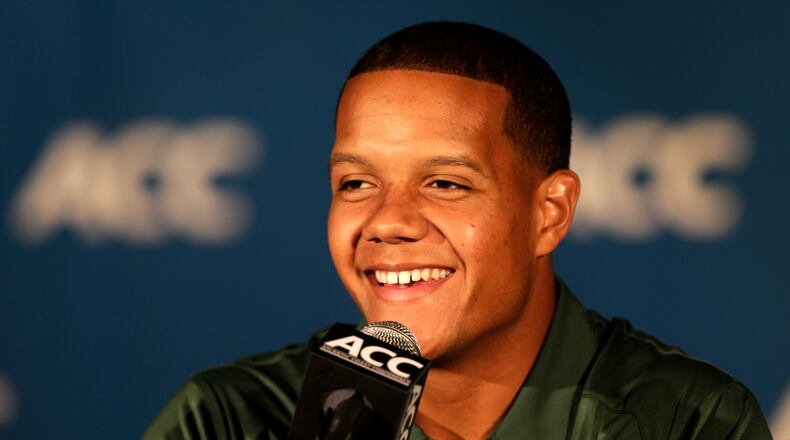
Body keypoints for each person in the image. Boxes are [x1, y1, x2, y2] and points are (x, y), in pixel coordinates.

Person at [143, 22, 771, 439]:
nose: (387, 220)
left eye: (445, 183)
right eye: (355, 184)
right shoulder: (224, 420)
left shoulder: (688, 423)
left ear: (548, 213)